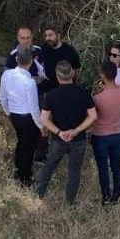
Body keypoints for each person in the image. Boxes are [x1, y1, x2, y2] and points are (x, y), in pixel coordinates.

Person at [34, 61, 97, 204]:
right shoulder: (83, 92)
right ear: (73, 74)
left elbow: (43, 118)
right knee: (74, 172)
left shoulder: (51, 95)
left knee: (49, 165)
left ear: (57, 76)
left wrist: (59, 132)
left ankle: (39, 193)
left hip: (58, 139)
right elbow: (93, 116)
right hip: (78, 139)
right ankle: (69, 201)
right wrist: (76, 131)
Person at [0, 47, 43, 187]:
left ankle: (18, 170)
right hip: (28, 118)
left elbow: (2, 97)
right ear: (31, 62)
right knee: (28, 147)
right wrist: (41, 125)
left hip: (14, 115)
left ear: (17, 59)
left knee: (21, 142)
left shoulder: (6, 75)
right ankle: (25, 177)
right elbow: (34, 108)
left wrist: (8, 112)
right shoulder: (29, 83)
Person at [91, 61, 120, 205]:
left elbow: (93, 117)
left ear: (102, 75)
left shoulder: (98, 98)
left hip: (100, 135)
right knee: (116, 165)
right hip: (117, 134)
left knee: (103, 167)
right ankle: (117, 193)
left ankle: (106, 196)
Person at [42, 25, 81, 89]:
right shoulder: (43, 50)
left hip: (68, 89)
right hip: (49, 91)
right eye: (46, 35)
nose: (47, 38)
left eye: (50, 35)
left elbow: (77, 69)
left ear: (58, 35)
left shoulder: (69, 50)